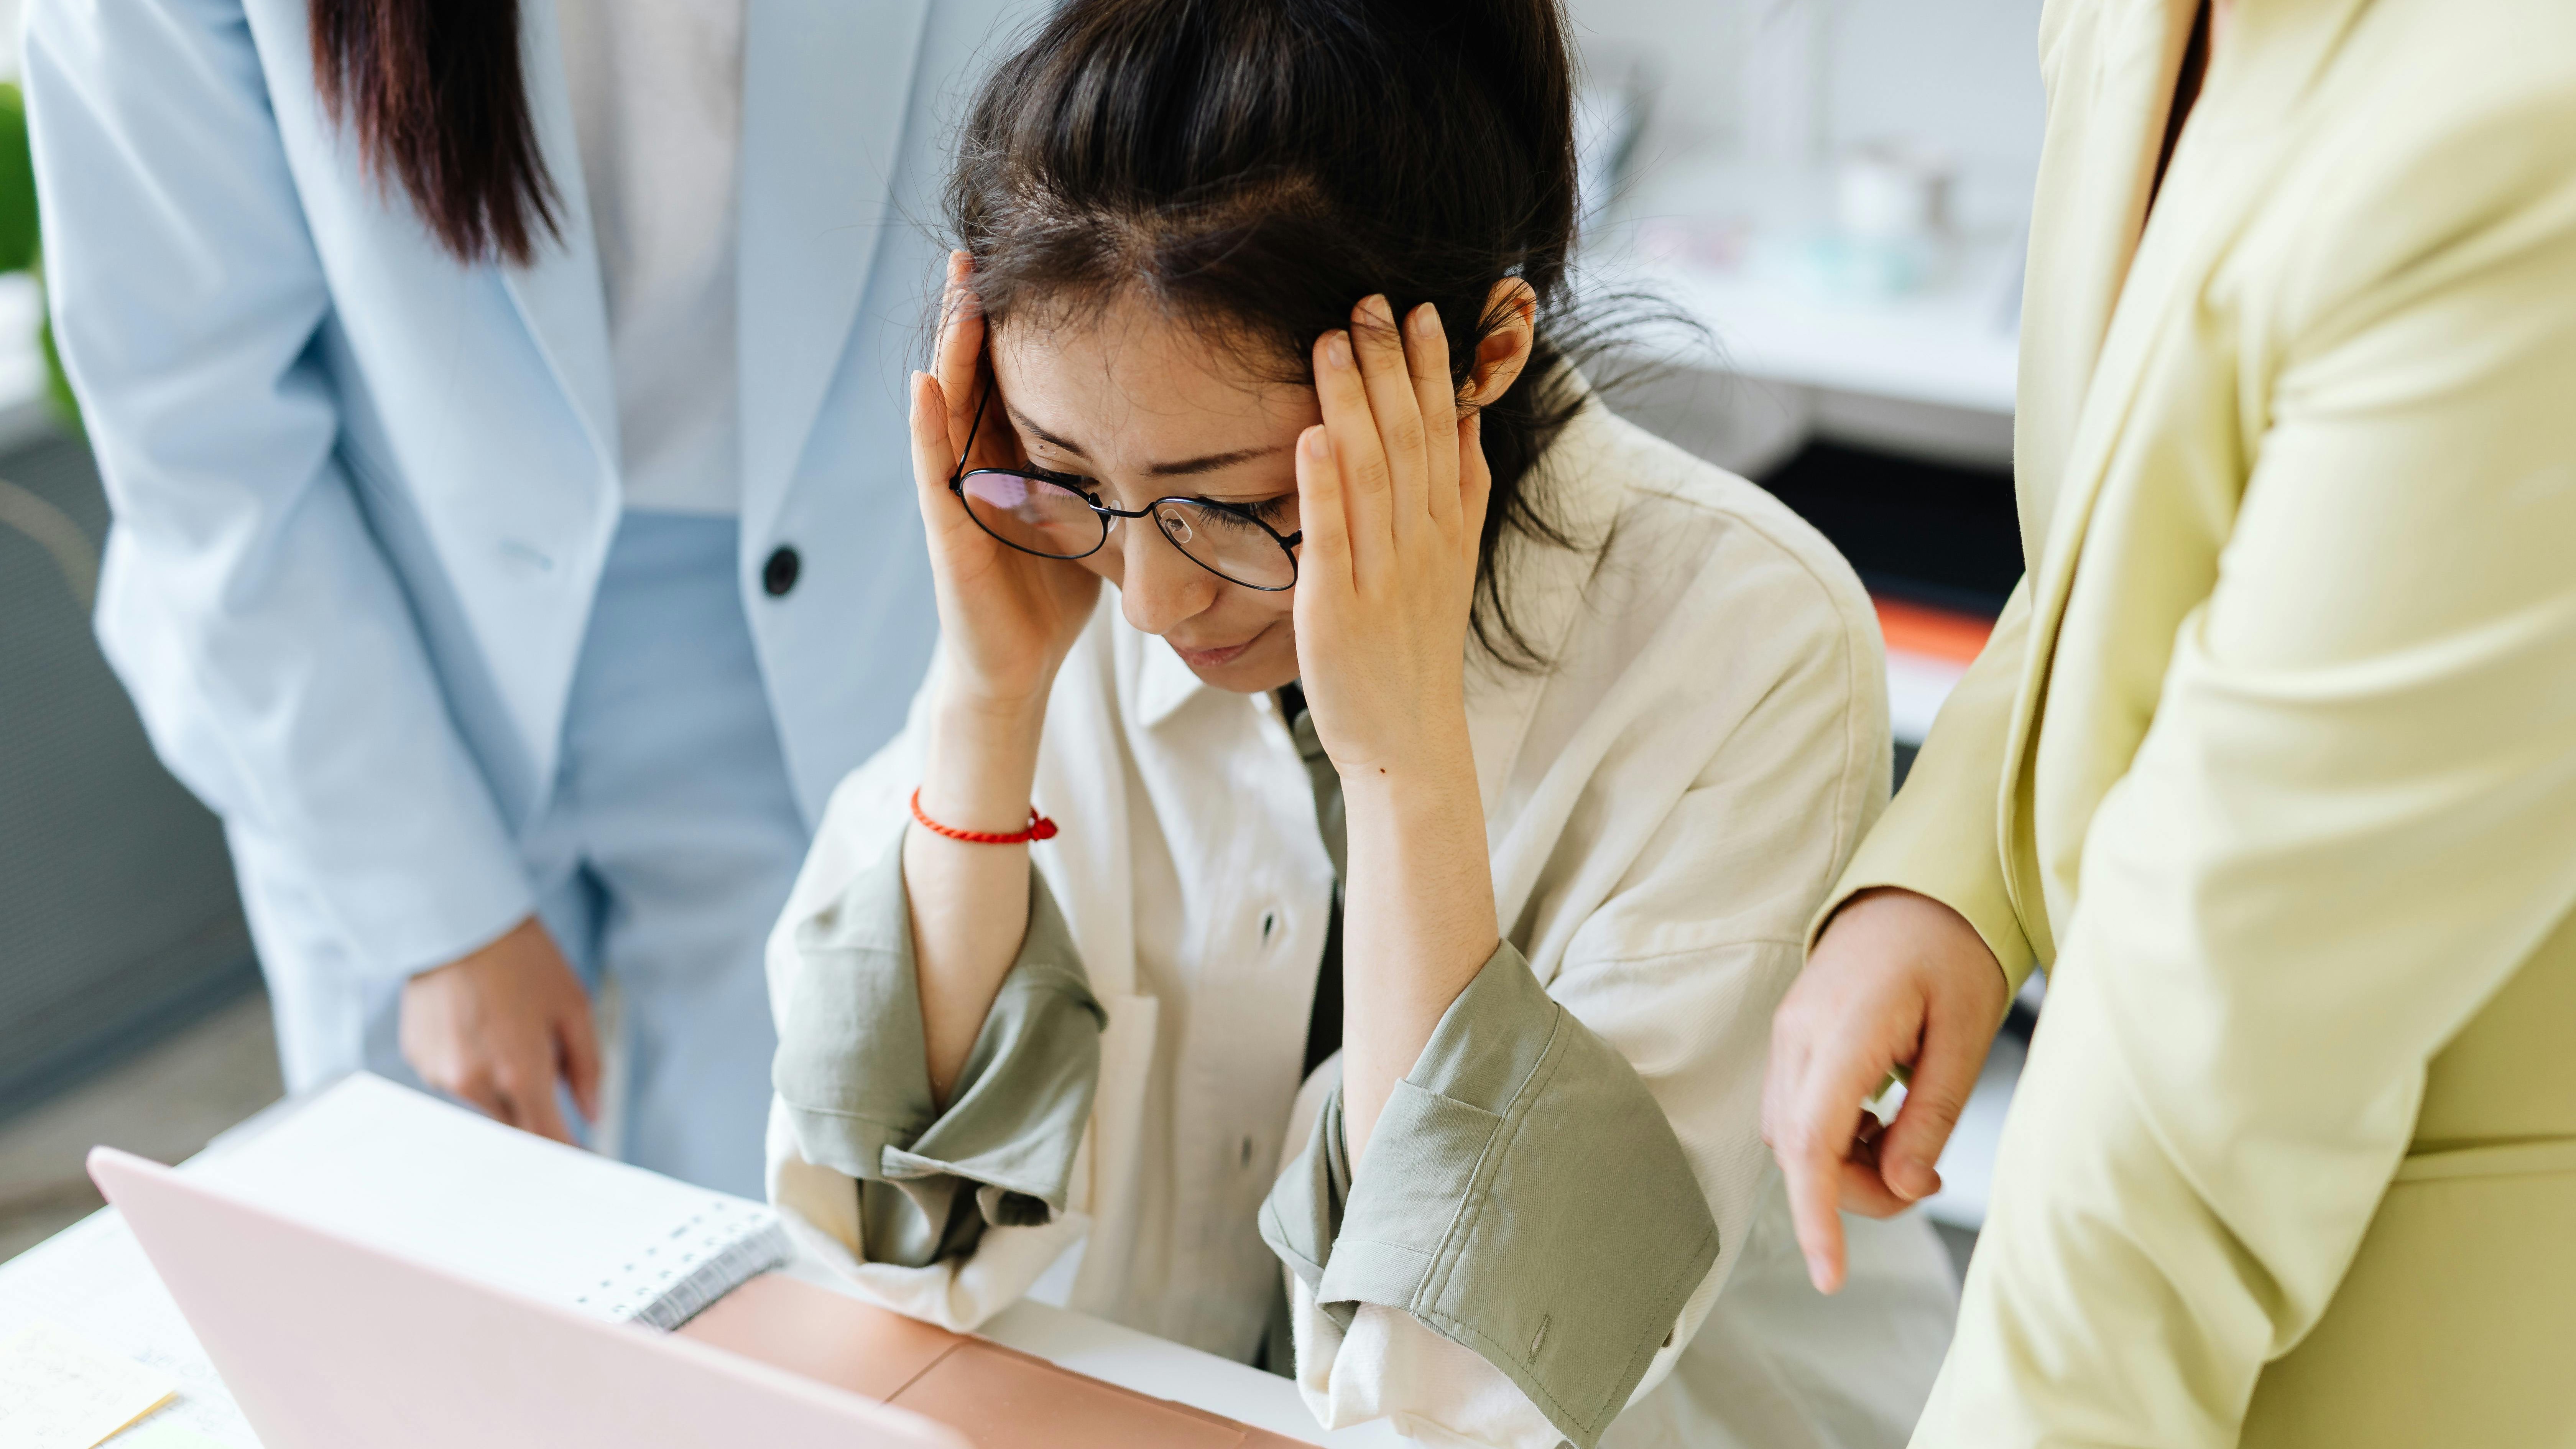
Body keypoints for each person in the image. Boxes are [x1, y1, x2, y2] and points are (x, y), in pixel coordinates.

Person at [762, 2, 1960, 1446]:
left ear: (1488, 351)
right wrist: (987, 695)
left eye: (1236, 503)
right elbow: (877, 1226)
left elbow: (1466, 1392)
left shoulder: (1745, 645)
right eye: (1069, 469)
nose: (1146, 597)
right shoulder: (1058, 558)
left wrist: (1402, 769)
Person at [25, 0, 1037, 1196]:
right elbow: (191, 413)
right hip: (378, 627)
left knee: (790, 1257)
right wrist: (429, 903)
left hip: (836, 615)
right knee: (416, 1281)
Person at [1763, 0, 2576, 1443]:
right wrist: (1960, 868)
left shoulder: (2522, 121)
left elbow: (2207, 1075)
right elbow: (2145, 531)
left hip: (2436, 1330)